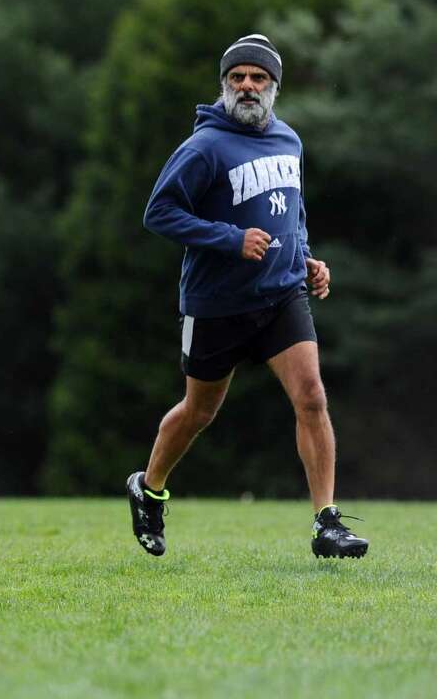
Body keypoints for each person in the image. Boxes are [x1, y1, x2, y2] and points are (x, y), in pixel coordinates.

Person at [128, 33, 369, 560]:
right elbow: (159, 213)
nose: (247, 86)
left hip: (281, 296)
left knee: (312, 397)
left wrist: (307, 258)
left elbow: (291, 213)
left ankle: (327, 523)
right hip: (216, 303)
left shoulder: (289, 141)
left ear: (274, 87)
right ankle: (148, 489)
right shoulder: (205, 147)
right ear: (224, 86)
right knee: (198, 412)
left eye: (258, 77)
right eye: (237, 77)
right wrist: (229, 239)